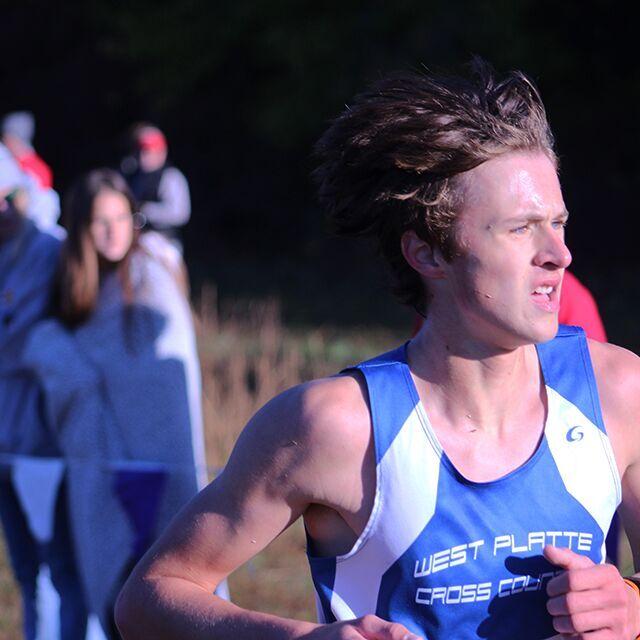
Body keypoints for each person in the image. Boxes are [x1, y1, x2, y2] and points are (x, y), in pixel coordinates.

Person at [115, 61, 640, 639]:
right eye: (520, 229)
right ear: (428, 254)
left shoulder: (619, 391)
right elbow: (149, 598)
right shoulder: (335, 426)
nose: (559, 255)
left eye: (558, 223)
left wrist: (633, 604)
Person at [23, 169, 211, 637]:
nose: (112, 231)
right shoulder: (79, 288)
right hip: (106, 468)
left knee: (167, 602)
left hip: (159, 470)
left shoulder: (152, 278)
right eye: (98, 221)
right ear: (80, 229)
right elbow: (79, 372)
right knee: (119, 608)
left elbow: (163, 384)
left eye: (120, 218)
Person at [0, 143, 87, 639]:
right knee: (26, 574)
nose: (2, 210)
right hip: (4, 446)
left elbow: (30, 342)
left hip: (46, 445)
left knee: (61, 569)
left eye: (8, 196)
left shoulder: (52, 251)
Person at [120, 123, 191, 251]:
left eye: (148, 151)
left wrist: (146, 211)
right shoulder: (132, 175)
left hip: (164, 243)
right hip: (136, 242)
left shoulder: (171, 177)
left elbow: (180, 214)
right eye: (140, 150)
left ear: (161, 152)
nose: (142, 156)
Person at [1, 111, 61, 234]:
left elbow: (42, 211)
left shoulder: (37, 170)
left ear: (14, 139)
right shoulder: (9, 162)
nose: (3, 142)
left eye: (5, 138)